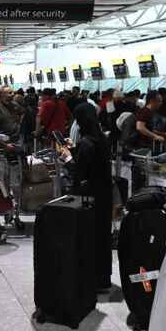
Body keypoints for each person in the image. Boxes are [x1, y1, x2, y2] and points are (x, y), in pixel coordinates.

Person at [57, 103, 113, 289]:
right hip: (103, 196)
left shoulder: (86, 142)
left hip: (88, 197)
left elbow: (79, 171)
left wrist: (67, 158)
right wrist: (74, 149)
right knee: (101, 236)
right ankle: (102, 278)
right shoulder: (101, 139)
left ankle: (89, 279)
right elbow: (91, 162)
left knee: (89, 237)